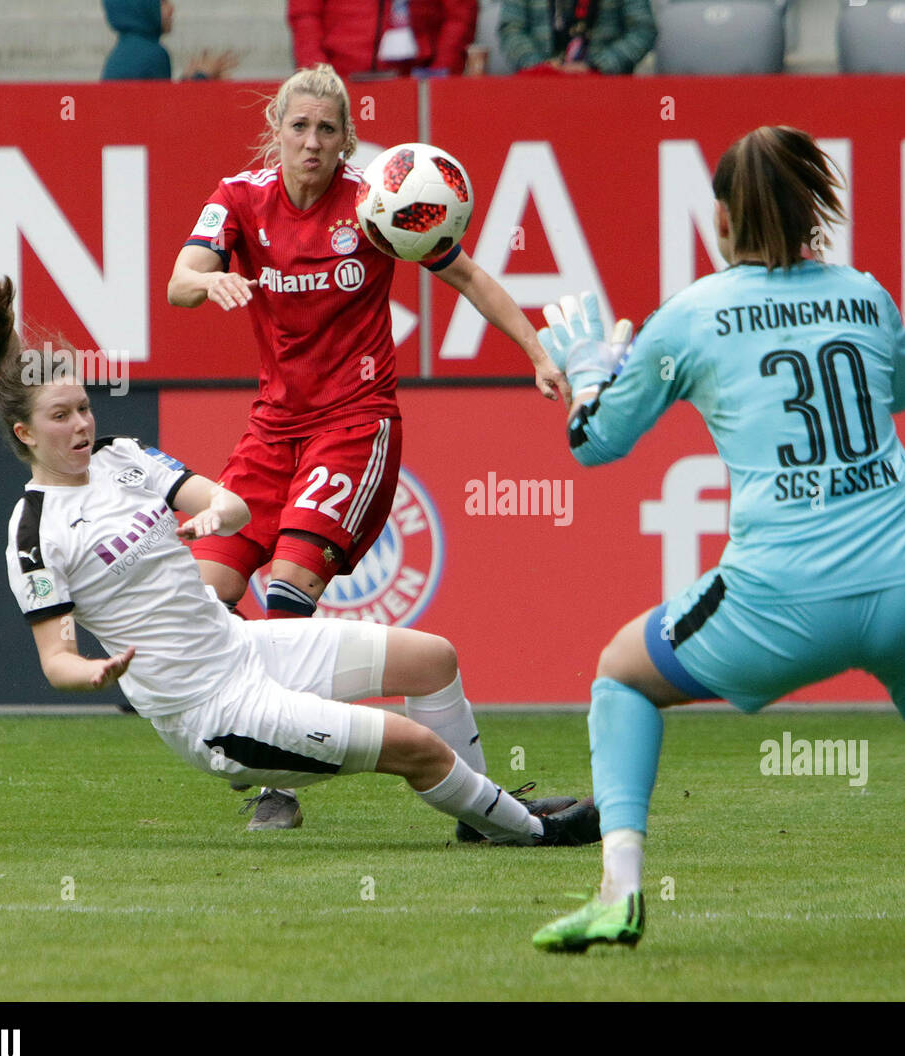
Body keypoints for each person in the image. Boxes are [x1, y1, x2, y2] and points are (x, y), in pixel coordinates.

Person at [529, 126, 905, 958]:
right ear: (812, 205)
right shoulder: (865, 292)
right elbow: (903, 395)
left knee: (621, 677)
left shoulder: (693, 314)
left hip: (783, 596)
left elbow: (596, 443)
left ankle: (618, 890)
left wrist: (594, 373)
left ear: (725, 220)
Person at [0, 275, 597, 850]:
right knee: (415, 749)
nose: (80, 426)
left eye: (82, 408)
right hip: (214, 712)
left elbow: (231, 505)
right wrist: (93, 671)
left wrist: (219, 512)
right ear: (24, 433)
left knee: (434, 657)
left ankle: (480, 819)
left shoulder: (123, 456)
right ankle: (526, 832)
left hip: (246, 647)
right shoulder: (34, 532)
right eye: (60, 417)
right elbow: (55, 658)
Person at [168, 63, 565, 830]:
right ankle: (277, 747)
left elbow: (470, 277)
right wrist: (210, 282)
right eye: (298, 127)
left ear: (346, 138)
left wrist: (538, 352)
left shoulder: (378, 203)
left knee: (287, 599)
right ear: (275, 131)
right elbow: (181, 277)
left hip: (355, 425)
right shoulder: (240, 199)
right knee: (200, 604)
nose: (311, 143)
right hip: (270, 431)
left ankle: (279, 781)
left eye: (327, 130)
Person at [288, 0, 478, 78]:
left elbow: (460, 15)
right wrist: (318, 74)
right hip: (341, 79)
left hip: (415, 81)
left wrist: (441, 71)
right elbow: (305, 14)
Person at [497, 0, 656, 74]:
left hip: (607, 90)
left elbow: (642, 29)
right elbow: (511, 29)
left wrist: (598, 66)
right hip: (538, 90)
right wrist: (542, 67)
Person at [101, 0, 238, 81]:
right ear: (141, 8)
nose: (171, 9)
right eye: (162, 2)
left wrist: (188, 80)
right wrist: (201, 78)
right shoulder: (153, 54)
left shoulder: (121, 53)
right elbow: (167, 116)